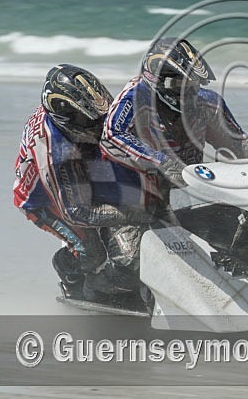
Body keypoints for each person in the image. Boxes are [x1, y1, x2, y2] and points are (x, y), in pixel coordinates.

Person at [13, 64, 150, 303]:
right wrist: (132, 215)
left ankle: (125, 273)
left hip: (82, 166)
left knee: (140, 198)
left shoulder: (77, 119)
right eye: (90, 122)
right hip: (46, 200)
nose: (99, 126)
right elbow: (77, 211)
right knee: (92, 253)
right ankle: (73, 274)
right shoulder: (54, 151)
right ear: (65, 118)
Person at [100, 37, 248, 206]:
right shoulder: (135, 96)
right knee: (128, 240)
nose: (189, 91)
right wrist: (161, 162)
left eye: (193, 84)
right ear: (157, 80)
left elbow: (238, 142)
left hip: (190, 190)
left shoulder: (208, 102)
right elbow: (111, 134)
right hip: (136, 198)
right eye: (178, 84)